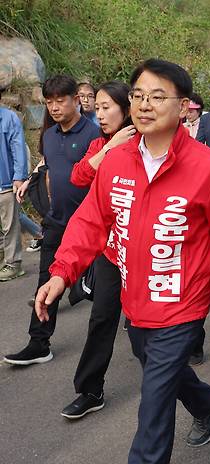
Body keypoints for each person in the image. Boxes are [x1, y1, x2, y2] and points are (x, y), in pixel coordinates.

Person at [34, 58, 210, 463]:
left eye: (158, 97)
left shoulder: (209, 169)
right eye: (138, 95)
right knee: (153, 362)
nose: (143, 105)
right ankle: (207, 403)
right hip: (134, 299)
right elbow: (90, 222)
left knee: (154, 403)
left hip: (182, 303)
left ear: (185, 107)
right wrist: (61, 272)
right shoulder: (116, 161)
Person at [3, 75, 99, 365]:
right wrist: (31, 182)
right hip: (57, 222)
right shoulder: (49, 136)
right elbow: (48, 167)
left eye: (60, 100)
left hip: (90, 226)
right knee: (46, 280)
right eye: (49, 102)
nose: (55, 107)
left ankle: (131, 319)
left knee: (103, 287)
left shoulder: (94, 135)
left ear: (75, 99)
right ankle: (39, 342)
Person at [60, 80, 136, 419]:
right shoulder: (98, 144)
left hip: (148, 253)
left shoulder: (146, 143)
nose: (99, 114)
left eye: (107, 107)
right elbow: (78, 177)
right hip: (110, 253)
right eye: (98, 107)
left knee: (148, 334)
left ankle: (197, 393)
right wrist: (110, 148)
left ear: (127, 108)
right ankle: (90, 390)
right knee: (102, 318)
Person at [0, 85, 29, 281]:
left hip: (5, 183)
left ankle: (13, 263)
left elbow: (18, 149)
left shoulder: (8, 118)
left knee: (10, 226)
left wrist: (19, 177)